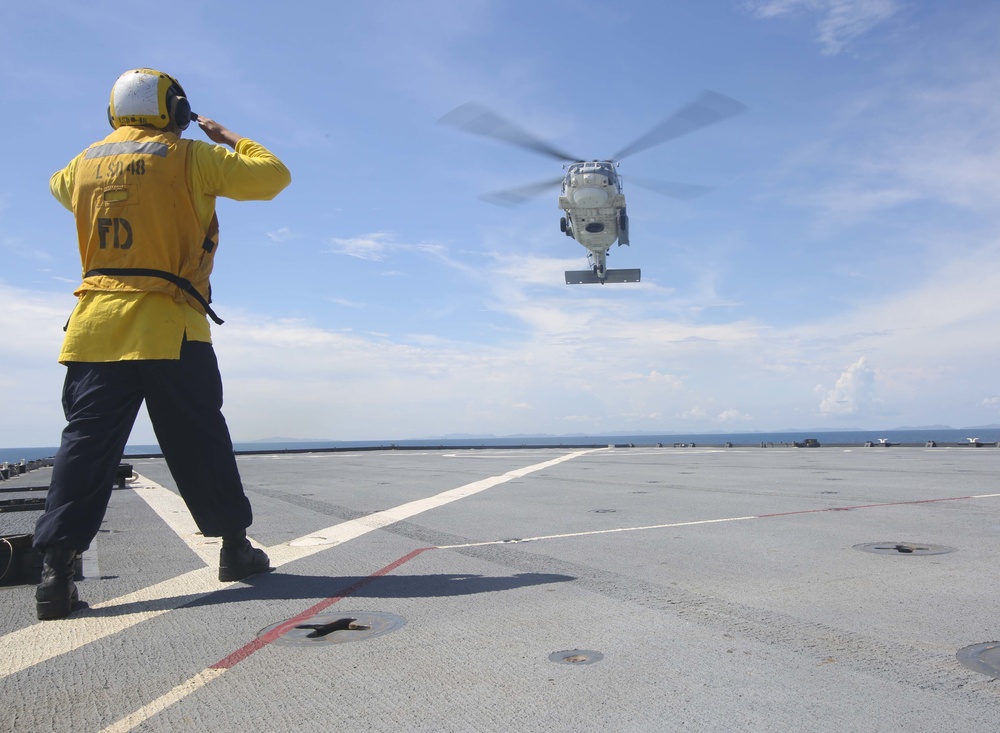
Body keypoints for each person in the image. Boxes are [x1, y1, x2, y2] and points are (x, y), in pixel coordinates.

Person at [33, 68, 291, 620]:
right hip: (173, 326)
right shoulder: (192, 157)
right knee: (200, 441)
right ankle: (234, 549)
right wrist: (229, 137)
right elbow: (273, 177)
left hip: (95, 329)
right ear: (173, 109)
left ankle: (55, 572)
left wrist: (110, 156)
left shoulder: (83, 165)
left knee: (84, 448)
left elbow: (58, 185)